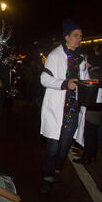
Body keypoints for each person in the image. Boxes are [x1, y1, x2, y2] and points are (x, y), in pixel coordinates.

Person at [39, 19, 89, 193]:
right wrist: (65, 84)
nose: (79, 39)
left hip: (73, 109)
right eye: (76, 35)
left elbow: (84, 80)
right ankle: (47, 178)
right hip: (57, 108)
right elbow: (44, 79)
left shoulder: (81, 58)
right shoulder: (55, 55)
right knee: (53, 147)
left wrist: (89, 83)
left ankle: (57, 171)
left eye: (81, 36)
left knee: (65, 146)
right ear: (67, 37)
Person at [73, 49, 102, 164]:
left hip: (91, 111)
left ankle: (87, 157)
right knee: (92, 134)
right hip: (96, 111)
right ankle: (91, 156)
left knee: (89, 135)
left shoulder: (92, 75)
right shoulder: (101, 73)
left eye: (86, 62)